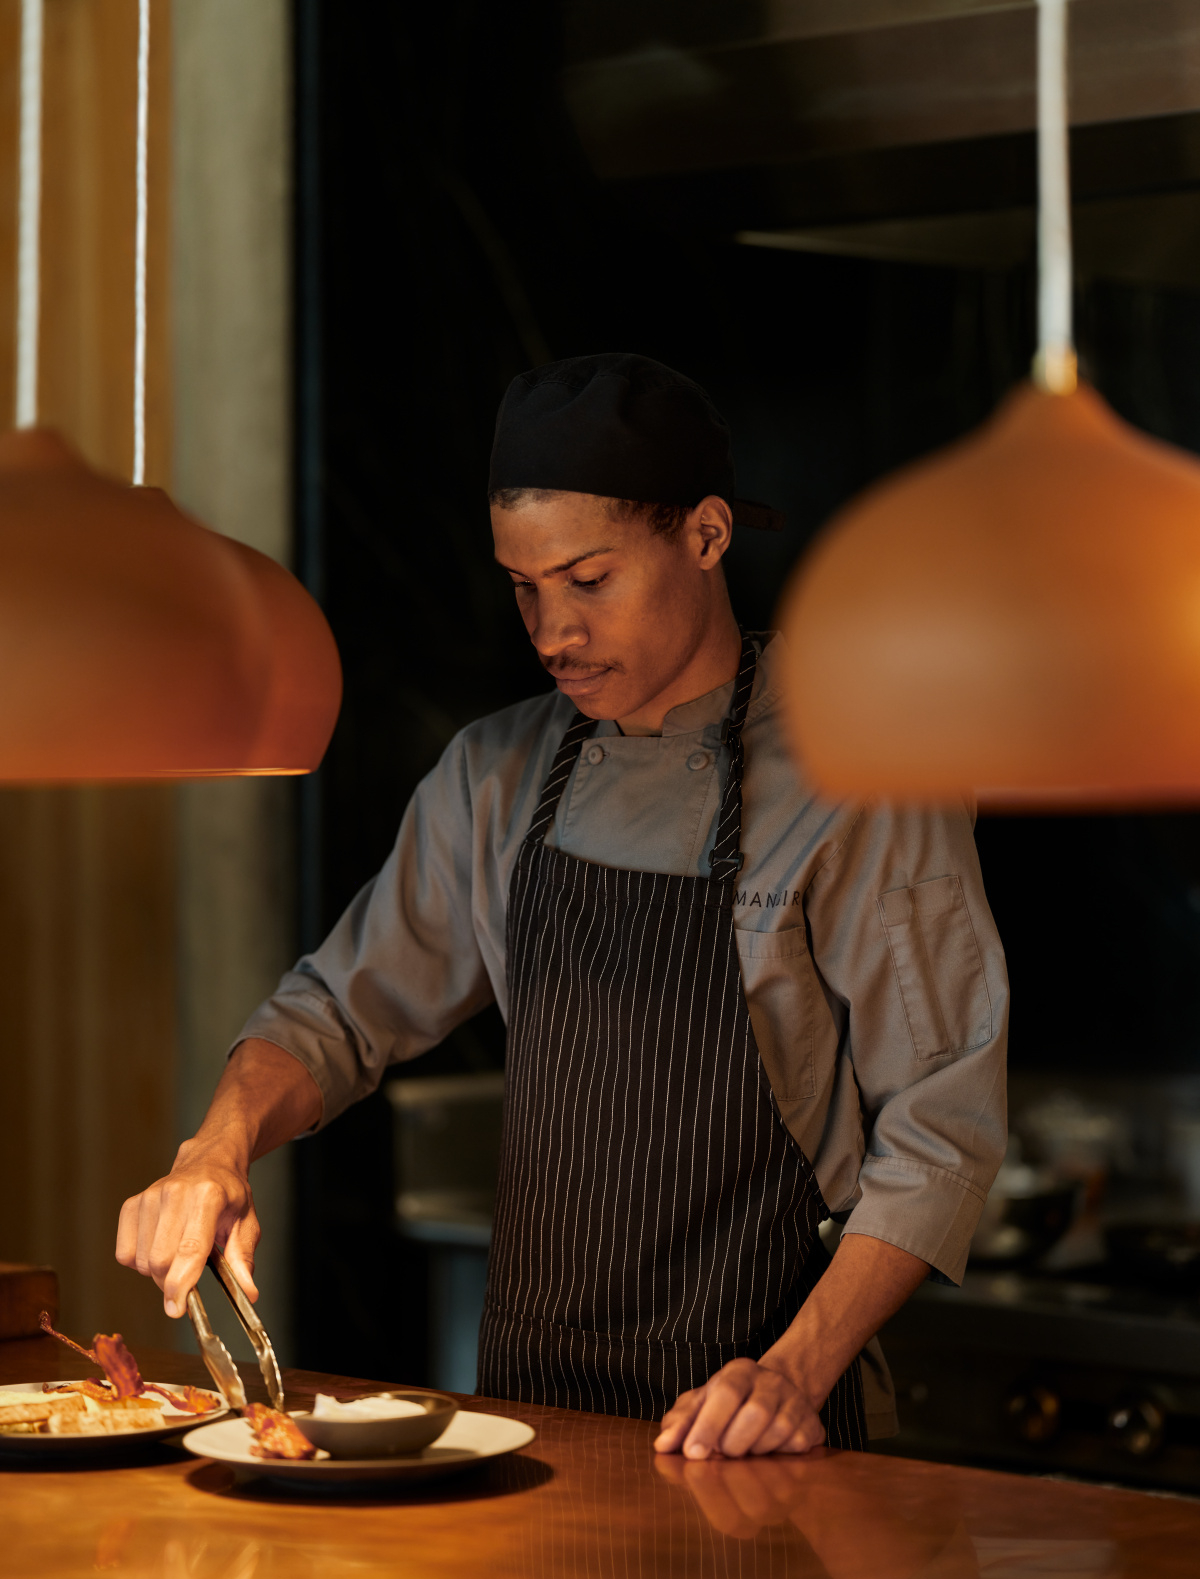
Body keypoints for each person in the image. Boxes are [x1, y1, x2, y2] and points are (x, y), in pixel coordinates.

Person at [117, 353, 1008, 1459]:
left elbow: (939, 1130)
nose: (551, 632)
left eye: (589, 581)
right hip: (530, 1429)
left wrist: (791, 1371)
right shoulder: (493, 776)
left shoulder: (863, 775)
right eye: (524, 586)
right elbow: (336, 1012)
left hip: (762, 1434)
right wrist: (218, 1143)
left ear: (708, 535)